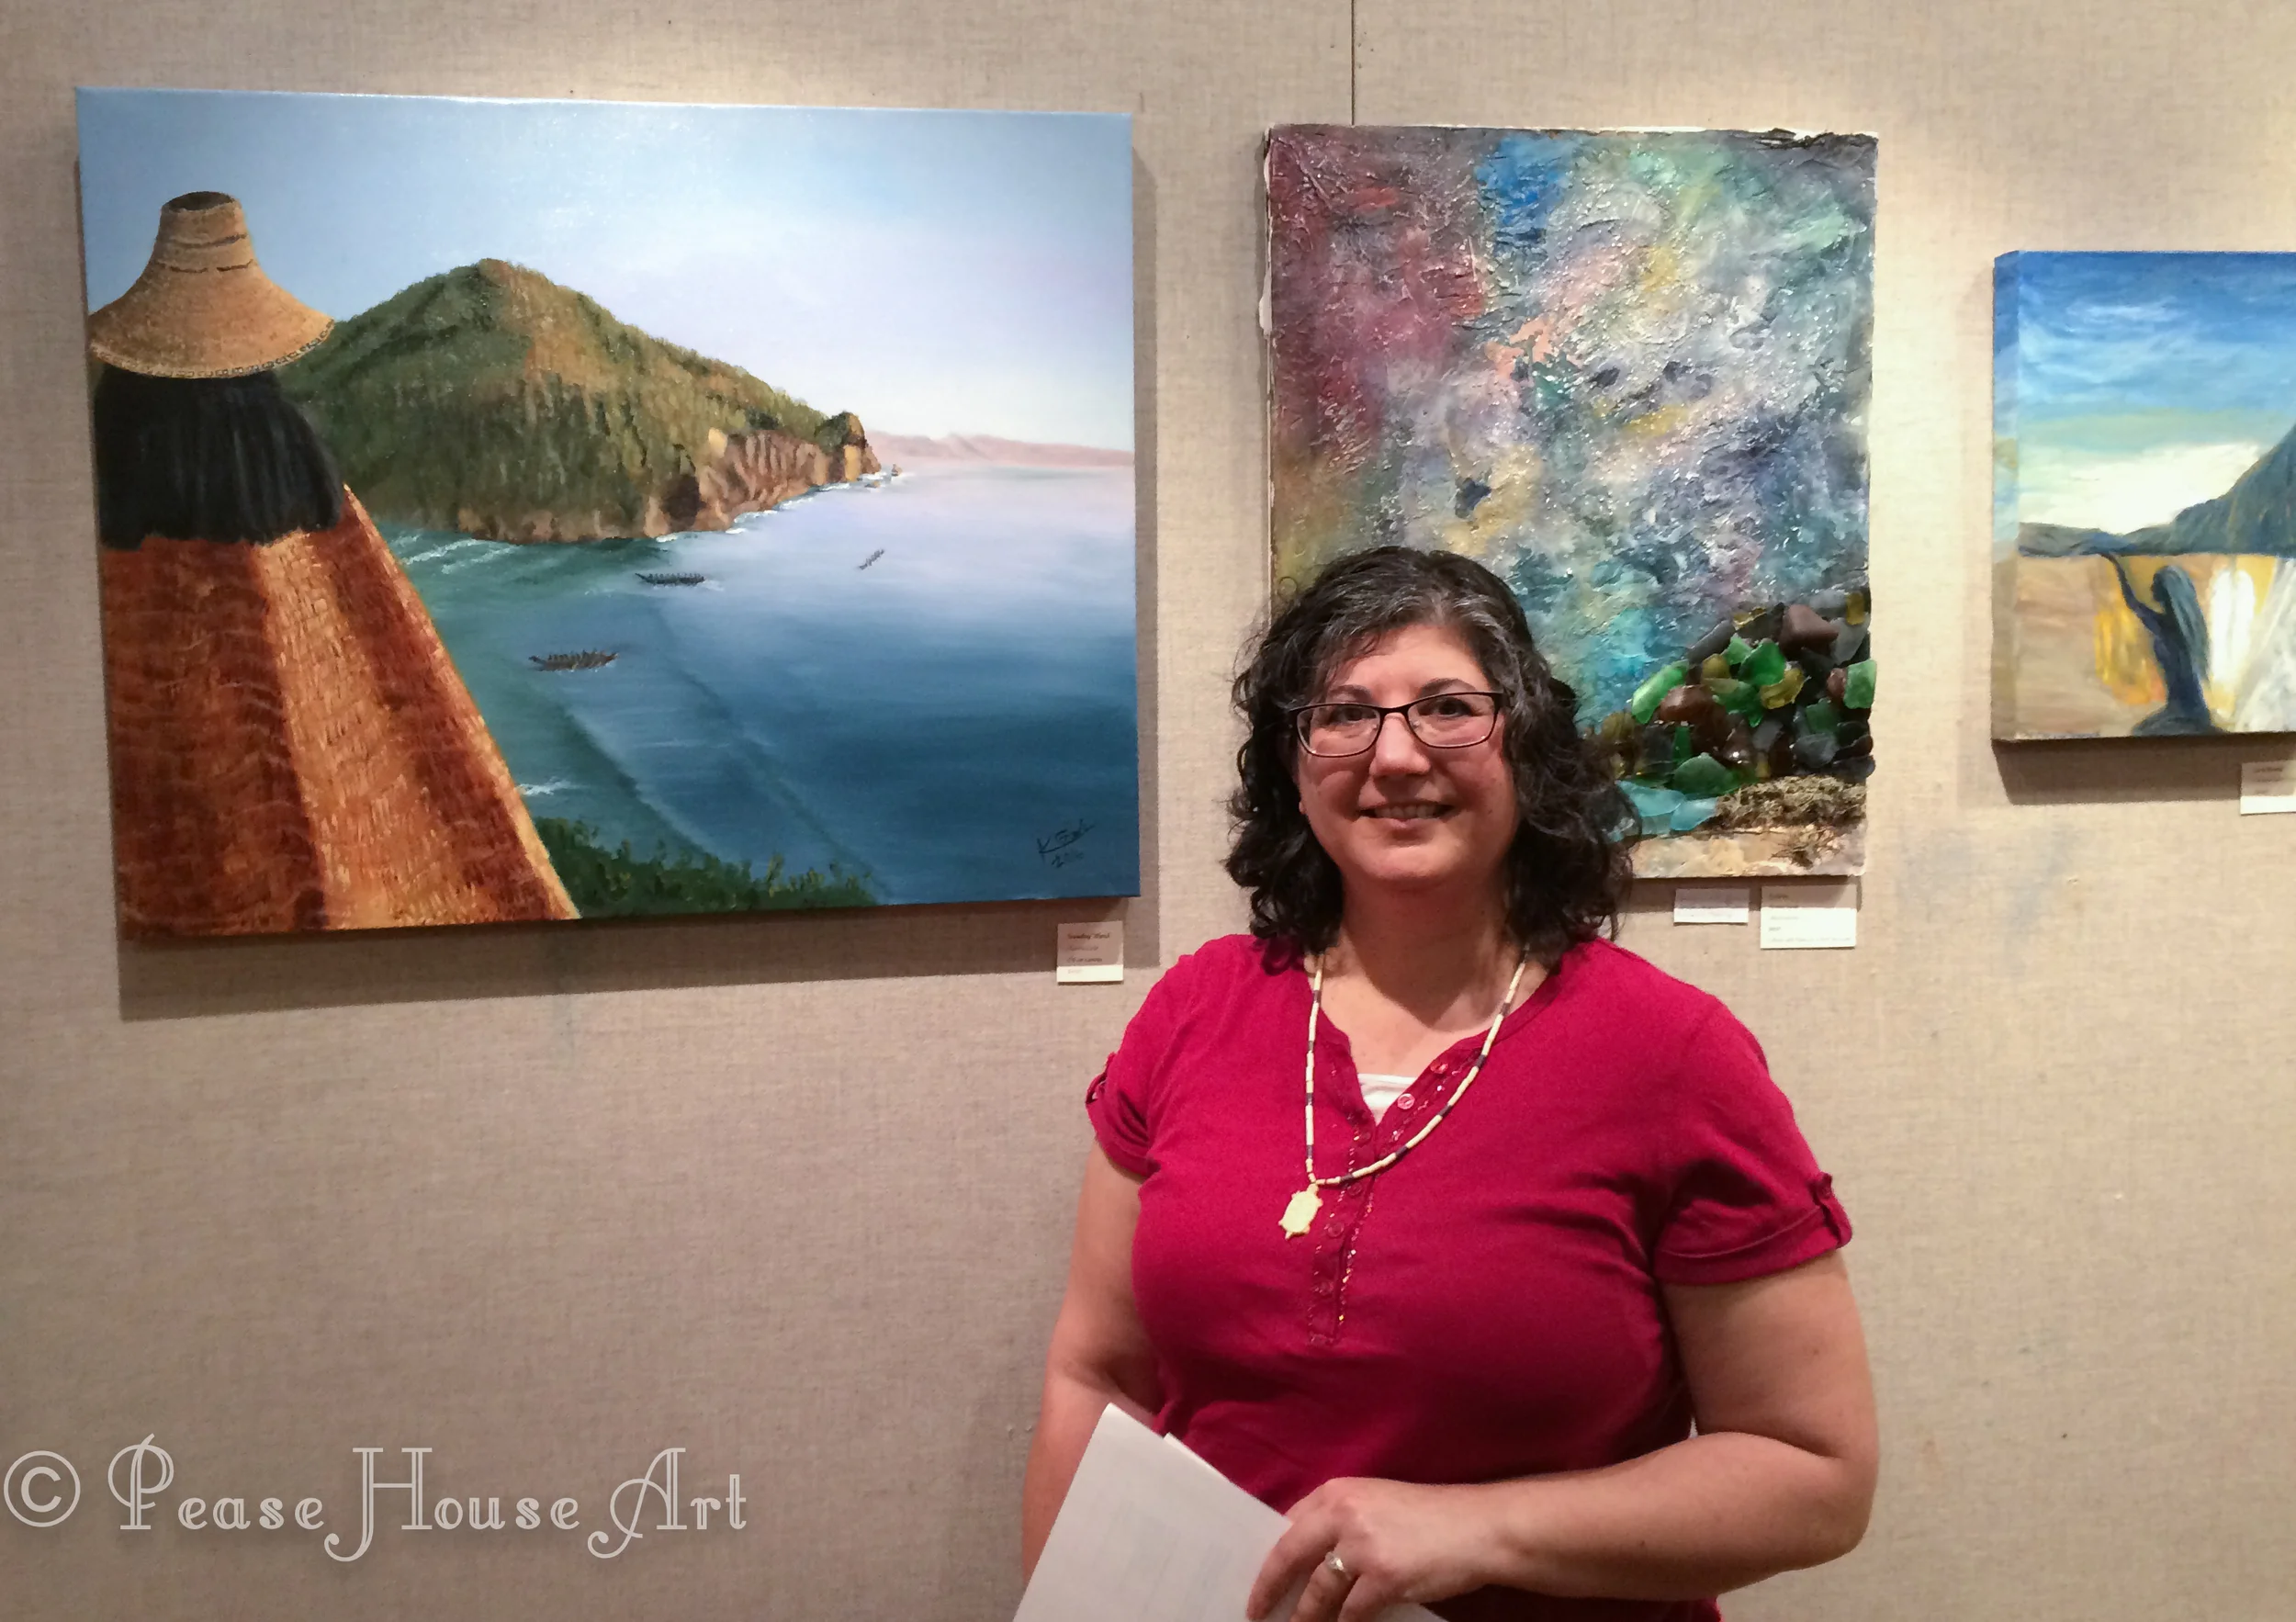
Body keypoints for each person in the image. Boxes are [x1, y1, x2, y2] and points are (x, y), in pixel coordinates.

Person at [1021, 546, 1875, 1621]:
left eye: (1447, 708)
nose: (1394, 755)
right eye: (1344, 713)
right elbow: (1096, 1379)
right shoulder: (1194, 1012)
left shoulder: (1669, 1055)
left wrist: (1479, 1529)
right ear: (1293, 763)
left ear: (1524, 742)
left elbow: (1814, 1473)